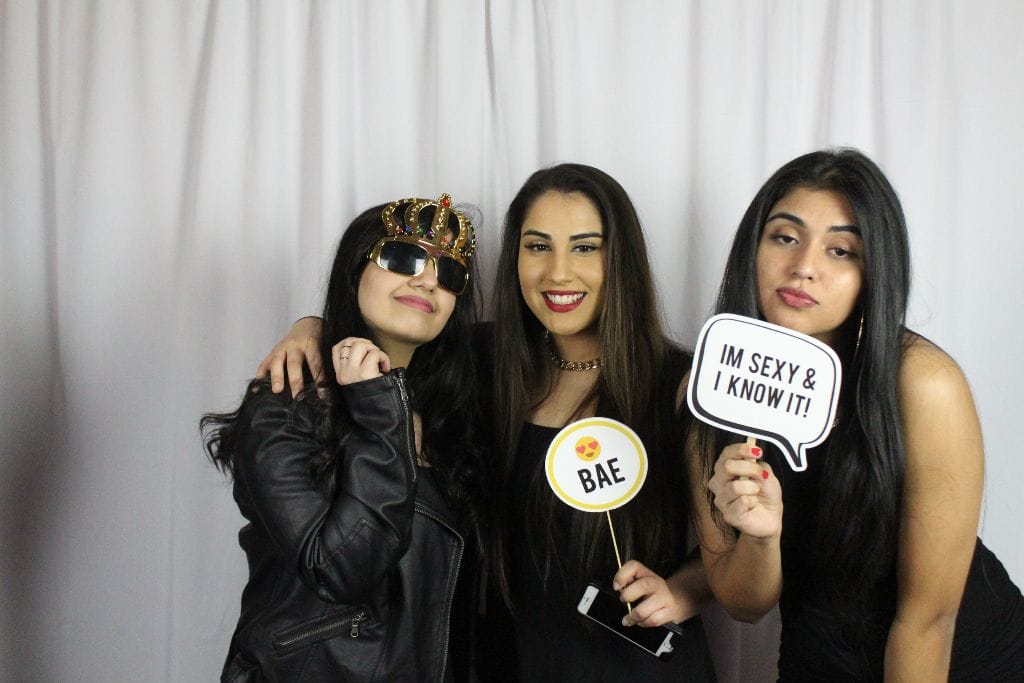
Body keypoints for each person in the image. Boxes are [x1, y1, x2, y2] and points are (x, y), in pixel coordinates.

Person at [260, 164, 717, 681]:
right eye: (538, 246)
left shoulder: (682, 385)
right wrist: (312, 329)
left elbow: (734, 548)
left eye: (586, 247)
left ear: (622, 260)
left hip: (637, 666)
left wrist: (683, 591)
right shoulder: (482, 363)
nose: (558, 273)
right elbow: (395, 332)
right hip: (505, 663)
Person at [690, 148, 1024, 681]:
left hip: (954, 660)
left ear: (873, 271)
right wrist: (760, 536)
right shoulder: (712, 390)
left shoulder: (922, 382)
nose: (804, 267)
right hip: (816, 657)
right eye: (785, 237)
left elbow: (928, 620)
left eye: (841, 250)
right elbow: (745, 604)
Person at [201, 195, 483, 681]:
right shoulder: (286, 406)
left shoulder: (455, 414)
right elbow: (340, 570)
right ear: (355, 270)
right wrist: (378, 406)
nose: (428, 280)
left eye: (450, 273)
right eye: (403, 257)